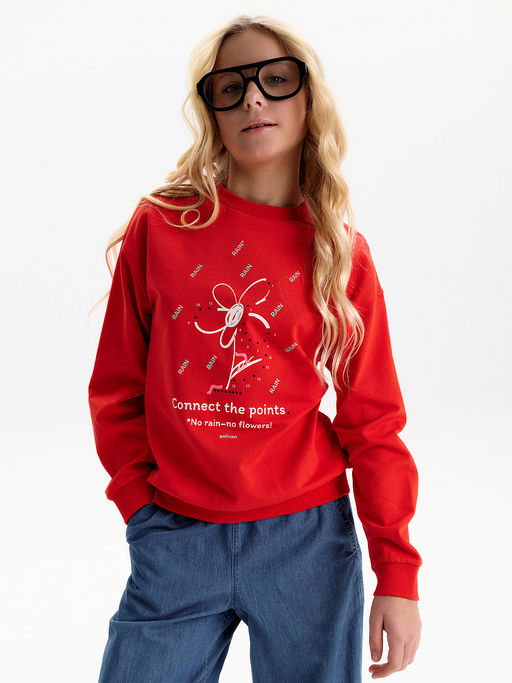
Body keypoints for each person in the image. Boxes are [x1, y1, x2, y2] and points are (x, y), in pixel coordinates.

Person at [88, 14, 422, 683]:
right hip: (175, 536)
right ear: (212, 110)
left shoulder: (341, 254)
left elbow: (373, 421)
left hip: (308, 542)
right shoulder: (162, 227)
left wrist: (397, 574)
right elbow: (116, 389)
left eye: (275, 79)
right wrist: (141, 509)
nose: (253, 99)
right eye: (230, 87)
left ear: (308, 99)